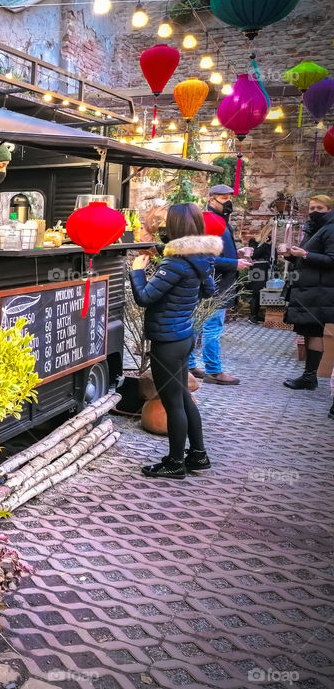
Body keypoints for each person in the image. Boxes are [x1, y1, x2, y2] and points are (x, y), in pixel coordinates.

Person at [130, 203, 222, 479]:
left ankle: (174, 463)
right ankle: (198, 455)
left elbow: (144, 297)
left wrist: (136, 270)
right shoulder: (201, 257)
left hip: (167, 340)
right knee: (183, 397)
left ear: (174, 227)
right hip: (184, 336)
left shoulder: (176, 263)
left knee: (173, 403)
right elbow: (209, 291)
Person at [187, 184, 253, 384]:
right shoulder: (206, 222)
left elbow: (219, 252)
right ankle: (213, 371)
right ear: (211, 199)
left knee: (197, 326)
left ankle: (189, 366)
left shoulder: (224, 221)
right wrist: (234, 263)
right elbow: (203, 257)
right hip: (211, 284)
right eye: (223, 198)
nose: (228, 201)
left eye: (229, 197)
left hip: (220, 284)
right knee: (211, 328)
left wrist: (237, 253)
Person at [279, 194, 334, 390]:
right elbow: (307, 261)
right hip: (310, 291)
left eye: (319, 208)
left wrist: (305, 254)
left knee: (314, 332)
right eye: (311, 208)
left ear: (329, 209)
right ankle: (309, 376)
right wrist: (292, 257)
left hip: (319, 293)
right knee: (311, 332)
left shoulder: (330, 229)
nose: (314, 212)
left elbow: (331, 260)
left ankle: (310, 377)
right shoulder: (315, 230)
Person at [247, 222, 275, 323]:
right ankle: (252, 315)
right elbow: (254, 254)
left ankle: (256, 314)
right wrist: (264, 243)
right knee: (256, 292)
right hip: (257, 269)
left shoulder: (271, 244)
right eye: (270, 233)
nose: (271, 236)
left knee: (262, 292)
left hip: (266, 269)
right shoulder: (254, 241)